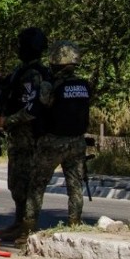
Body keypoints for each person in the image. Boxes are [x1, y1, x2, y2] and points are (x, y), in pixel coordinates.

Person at [23, 41, 91, 239]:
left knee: (37, 185)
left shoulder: (50, 85)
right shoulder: (85, 85)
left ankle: (27, 229)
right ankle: (75, 225)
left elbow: (42, 104)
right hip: (77, 142)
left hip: (53, 141)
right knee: (75, 186)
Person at [0, 27, 50, 241]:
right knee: (16, 183)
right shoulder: (22, 71)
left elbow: (32, 109)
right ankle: (18, 223)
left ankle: (26, 226)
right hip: (18, 138)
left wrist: (7, 121)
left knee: (26, 184)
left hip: (30, 138)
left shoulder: (34, 75)